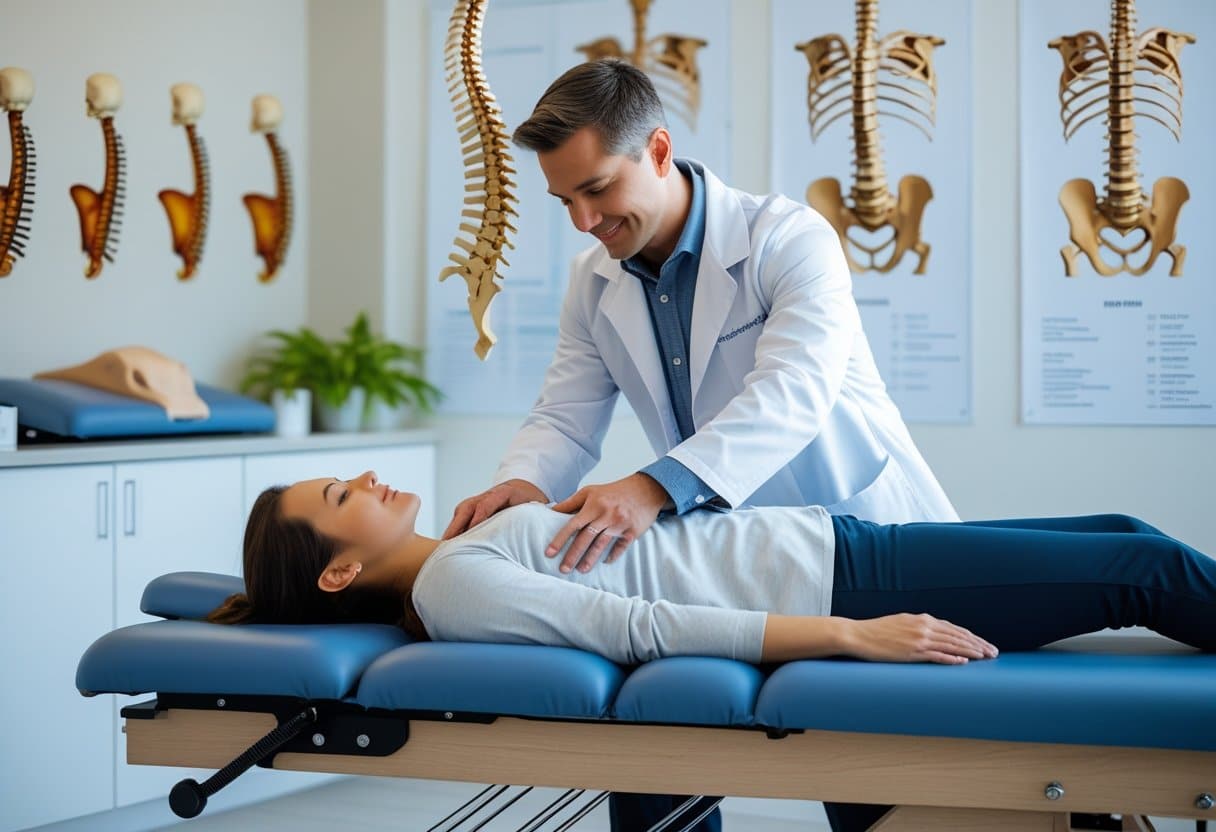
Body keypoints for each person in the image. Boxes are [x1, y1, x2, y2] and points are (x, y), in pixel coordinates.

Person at [442, 58, 958, 830]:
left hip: (855, 541)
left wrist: (652, 488)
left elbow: (792, 396)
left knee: (871, 799)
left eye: (597, 190)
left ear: (656, 150)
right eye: (565, 201)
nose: (583, 221)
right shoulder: (595, 280)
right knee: (655, 764)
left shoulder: (787, 238)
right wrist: (520, 483)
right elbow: (565, 416)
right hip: (732, 560)